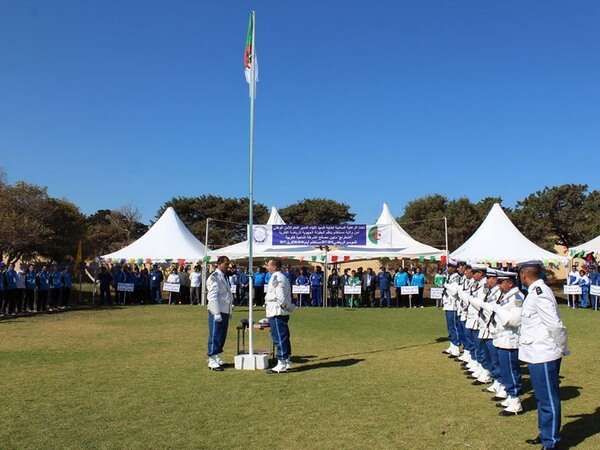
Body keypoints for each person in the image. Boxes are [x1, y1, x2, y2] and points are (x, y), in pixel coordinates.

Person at [518, 260, 569, 449]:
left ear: (524, 275)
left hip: (544, 354)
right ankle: (546, 433)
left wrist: (561, 347)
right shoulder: (534, 292)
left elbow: (555, 325)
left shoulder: (540, 293)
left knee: (548, 399)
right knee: (542, 398)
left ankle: (552, 442)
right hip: (536, 353)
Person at [480, 270, 524, 415]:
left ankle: (515, 401)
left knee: (511, 370)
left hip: (510, 339)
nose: (498, 285)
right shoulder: (505, 295)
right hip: (500, 338)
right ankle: (510, 396)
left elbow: (514, 321)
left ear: (510, 283)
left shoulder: (517, 297)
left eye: (501, 282)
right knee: (504, 369)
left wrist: (498, 309)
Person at [265, 258, 295, 373]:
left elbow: (280, 296)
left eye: (268, 265)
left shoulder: (277, 277)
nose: (267, 267)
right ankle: (286, 361)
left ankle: (282, 362)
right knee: (283, 336)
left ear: (274, 266)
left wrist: (286, 307)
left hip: (277, 311)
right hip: (278, 311)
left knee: (279, 337)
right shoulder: (280, 277)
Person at [206, 256, 233, 371]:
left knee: (221, 335)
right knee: (215, 334)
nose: (228, 266)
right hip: (217, 310)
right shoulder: (215, 277)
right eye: (226, 264)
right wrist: (216, 312)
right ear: (219, 264)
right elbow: (212, 296)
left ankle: (216, 356)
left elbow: (226, 294)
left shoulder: (224, 276)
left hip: (224, 310)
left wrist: (229, 310)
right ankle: (212, 359)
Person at [441, 260, 462, 357]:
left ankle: (456, 347)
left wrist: (445, 284)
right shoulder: (449, 277)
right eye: (447, 266)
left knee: (454, 327)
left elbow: (454, 292)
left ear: (454, 268)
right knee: (449, 327)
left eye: (450, 267)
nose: (448, 268)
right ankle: (452, 345)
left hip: (453, 305)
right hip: (448, 304)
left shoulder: (456, 277)